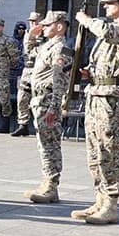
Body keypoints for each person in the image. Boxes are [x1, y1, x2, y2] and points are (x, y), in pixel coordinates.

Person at [68, 0, 119, 225]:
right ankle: (100, 199)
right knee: (94, 150)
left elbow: (109, 33)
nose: (105, 7)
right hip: (97, 92)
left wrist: (86, 20)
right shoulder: (110, 29)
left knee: (108, 149)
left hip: (113, 96)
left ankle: (111, 203)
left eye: (110, 3)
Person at [22, 11, 72, 204]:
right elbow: (29, 53)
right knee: (44, 144)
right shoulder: (47, 46)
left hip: (48, 99)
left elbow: (60, 80)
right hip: (39, 100)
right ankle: (46, 182)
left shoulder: (60, 48)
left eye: (47, 25)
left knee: (50, 144)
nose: (43, 28)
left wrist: (54, 107)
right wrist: (32, 36)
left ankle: (51, 186)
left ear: (59, 26)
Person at [12, 11, 44, 136]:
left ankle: (40, 125)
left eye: (36, 21)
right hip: (27, 68)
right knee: (22, 97)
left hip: (39, 69)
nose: (33, 23)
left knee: (39, 99)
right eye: (31, 21)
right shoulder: (27, 33)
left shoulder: (45, 34)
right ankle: (22, 124)